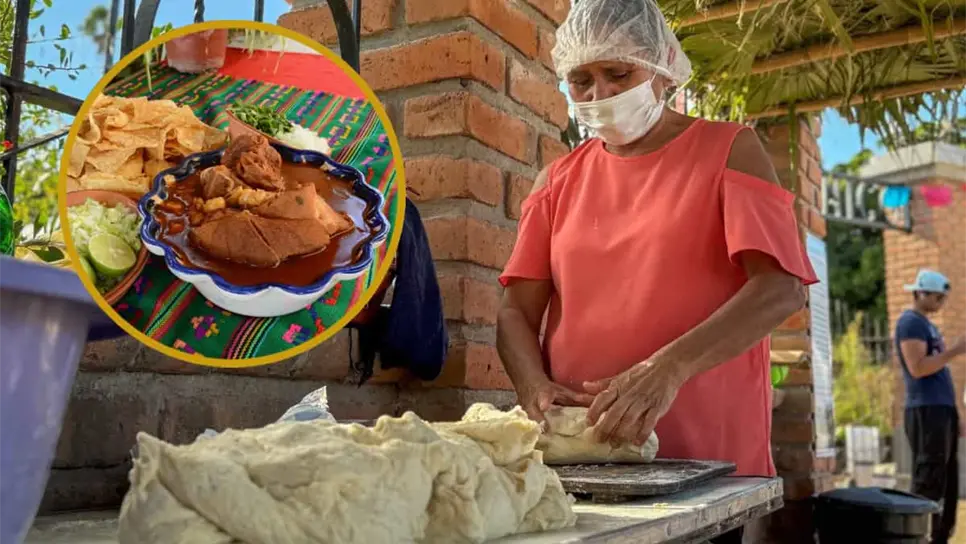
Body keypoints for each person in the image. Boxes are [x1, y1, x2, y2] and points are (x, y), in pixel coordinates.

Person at [495, 0, 819, 542]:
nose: (600, 94)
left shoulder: (729, 150)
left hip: (706, 461)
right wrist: (534, 387)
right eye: (581, 81)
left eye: (618, 73)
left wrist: (667, 370)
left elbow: (780, 289)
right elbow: (514, 314)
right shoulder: (556, 181)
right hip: (584, 459)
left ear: (663, 67)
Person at [896, 269, 965, 544]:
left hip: (942, 409)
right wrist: (954, 351)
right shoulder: (910, 323)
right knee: (929, 478)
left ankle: (940, 536)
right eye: (937, 298)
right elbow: (918, 367)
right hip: (926, 410)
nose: (941, 303)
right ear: (920, 294)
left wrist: (956, 413)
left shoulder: (927, 325)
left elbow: (941, 372)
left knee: (948, 480)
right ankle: (919, 536)